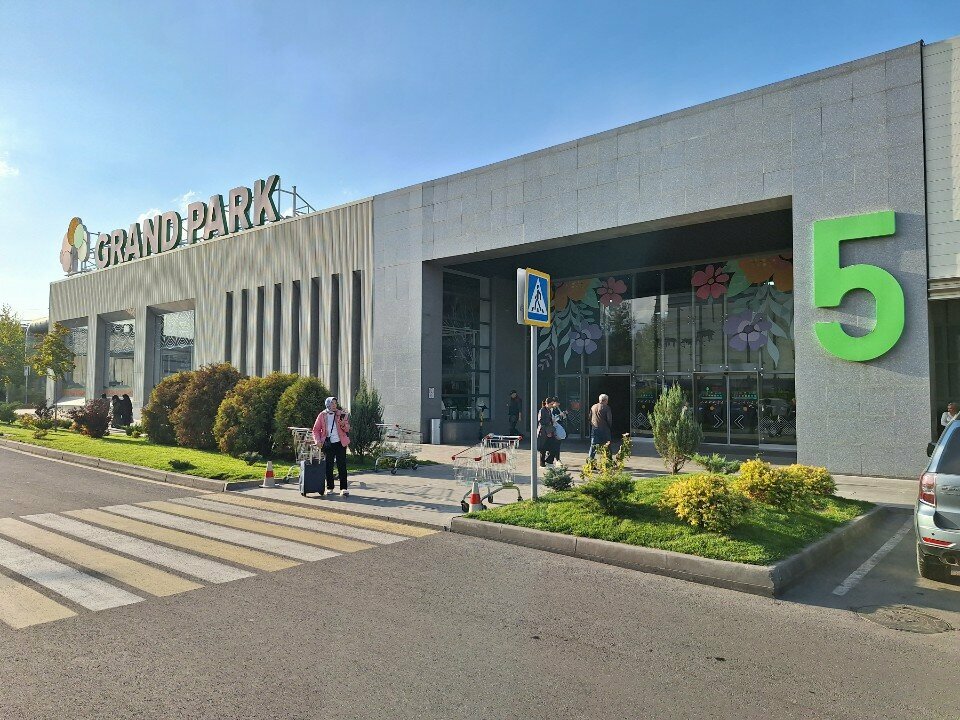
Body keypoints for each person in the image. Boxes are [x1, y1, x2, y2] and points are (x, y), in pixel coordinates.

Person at [312, 396, 352, 497]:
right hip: (328, 443)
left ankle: (344, 488)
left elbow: (347, 429)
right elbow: (316, 430)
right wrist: (317, 441)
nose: (334, 405)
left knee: (341, 465)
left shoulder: (341, 414)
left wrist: (343, 424)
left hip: (340, 443)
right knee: (328, 466)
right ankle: (330, 487)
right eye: (332, 403)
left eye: (335, 403)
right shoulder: (322, 415)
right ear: (327, 404)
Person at [588, 393, 613, 461]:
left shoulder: (593, 406)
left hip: (594, 428)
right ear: (605, 400)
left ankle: (590, 461)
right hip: (604, 429)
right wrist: (609, 427)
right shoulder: (607, 408)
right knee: (607, 445)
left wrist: (593, 425)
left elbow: (589, 418)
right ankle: (609, 460)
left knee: (593, 445)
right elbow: (609, 419)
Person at [536, 397, 555, 467]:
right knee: (543, 448)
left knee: (551, 446)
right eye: (551, 404)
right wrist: (548, 429)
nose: (552, 406)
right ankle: (542, 462)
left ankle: (547, 460)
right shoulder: (542, 410)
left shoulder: (549, 410)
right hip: (543, 431)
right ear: (547, 403)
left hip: (548, 430)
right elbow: (540, 421)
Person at [549, 397, 567, 466]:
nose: (558, 404)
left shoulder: (558, 408)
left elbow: (563, 418)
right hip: (554, 428)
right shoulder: (551, 409)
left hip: (559, 428)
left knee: (557, 444)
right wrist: (560, 415)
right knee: (555, 445)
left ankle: (555, 459)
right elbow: (553, 419)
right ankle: (556, 459)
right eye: (557, 403)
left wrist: (564, 414)